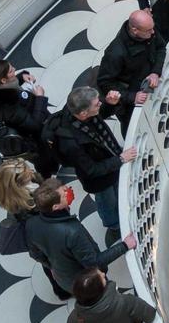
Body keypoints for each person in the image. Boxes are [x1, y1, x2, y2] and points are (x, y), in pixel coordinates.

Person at [46, 86, 137, 239]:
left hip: (109, 160)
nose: (99, 104)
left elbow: (99, 115)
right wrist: (120, 159)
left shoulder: (80, 114)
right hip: (99, 179)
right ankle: (114, 226)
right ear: (83, 113)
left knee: (116, 193)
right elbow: (92, 170)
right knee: (107, 201)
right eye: (97, 104)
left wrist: (109, 104)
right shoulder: (71, 143)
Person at [23, 178, 136, 295]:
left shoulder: (31, 223)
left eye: (65, 188)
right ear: (55, 207)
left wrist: (51, 266)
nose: (68, 192)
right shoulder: (72, 232)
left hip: (64, 279)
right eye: (64, 193)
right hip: (88, 283)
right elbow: (95, 263)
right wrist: (124, 245)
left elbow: (35, 254)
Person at [0, 159, 70, 300]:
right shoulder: (29, 202)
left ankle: (61, 290)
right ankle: (64, 289)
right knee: (56, 265)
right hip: (46, 240)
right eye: (27, 172)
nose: (31, 171)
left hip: (42, 243)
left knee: (50, 266)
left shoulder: (11, 196)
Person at [0, 58, 59, 176]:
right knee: (44, 158)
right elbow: (35, 125)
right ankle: (48, 173)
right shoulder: (9, 108)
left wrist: (21, 77)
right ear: (3, 80)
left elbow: (9, 88)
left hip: (29, 117)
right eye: (11, 71)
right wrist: (40, 98)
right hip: (34, 137)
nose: (15, 70)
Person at [97, 10, 165, 135]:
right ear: (135, 30)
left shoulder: (149, 30)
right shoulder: (115, 53)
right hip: (129, 101)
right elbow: (105, 82)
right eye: (149, 30)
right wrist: (132, 97)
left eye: (152, 28)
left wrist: (155, 72)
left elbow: (161, 47)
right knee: (131, 128)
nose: (153, 32)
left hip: (148, 85)